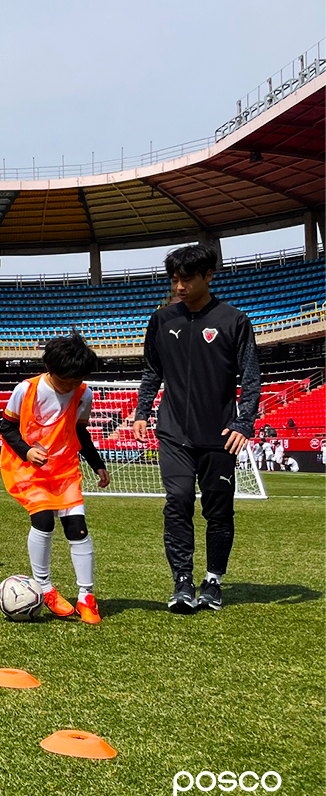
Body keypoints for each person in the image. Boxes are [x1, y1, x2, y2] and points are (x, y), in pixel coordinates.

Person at [132, 243, 259, 614]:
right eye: (174, 279)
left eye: (187, 279)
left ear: (208, 276)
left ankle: (213, 581)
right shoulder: (162, 320)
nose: (179, 286)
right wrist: (142, 411)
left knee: (218, 511)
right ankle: (182, 581)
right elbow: (152, 370)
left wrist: (244, 421)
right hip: (172, 430)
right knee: (178, 501)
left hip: (220, 433)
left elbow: (250, 376)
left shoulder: (234, 320)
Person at [0, 334, 109, 624]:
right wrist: (27, 451)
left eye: (77, 380)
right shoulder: (26, 390)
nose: (71, 387)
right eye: (65, 381)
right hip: (29, 468)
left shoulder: (83, 394)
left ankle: (87, 596)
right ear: (50, 369)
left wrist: (97, 464)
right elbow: (7, 429)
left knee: (78, 528)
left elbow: (80, 433)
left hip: (65, 469)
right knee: (44, 521)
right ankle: (44, 588)